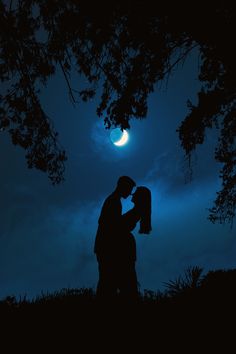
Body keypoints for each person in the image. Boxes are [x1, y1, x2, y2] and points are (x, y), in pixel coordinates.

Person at [94, 176, 136, 300]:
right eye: (129, 190)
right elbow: (111, 226)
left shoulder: (113, 200)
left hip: (104, 246)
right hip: (106, 247)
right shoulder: (113, 202)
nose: (130, 193)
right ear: (123, 187)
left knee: (107, 281)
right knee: (106, 281)